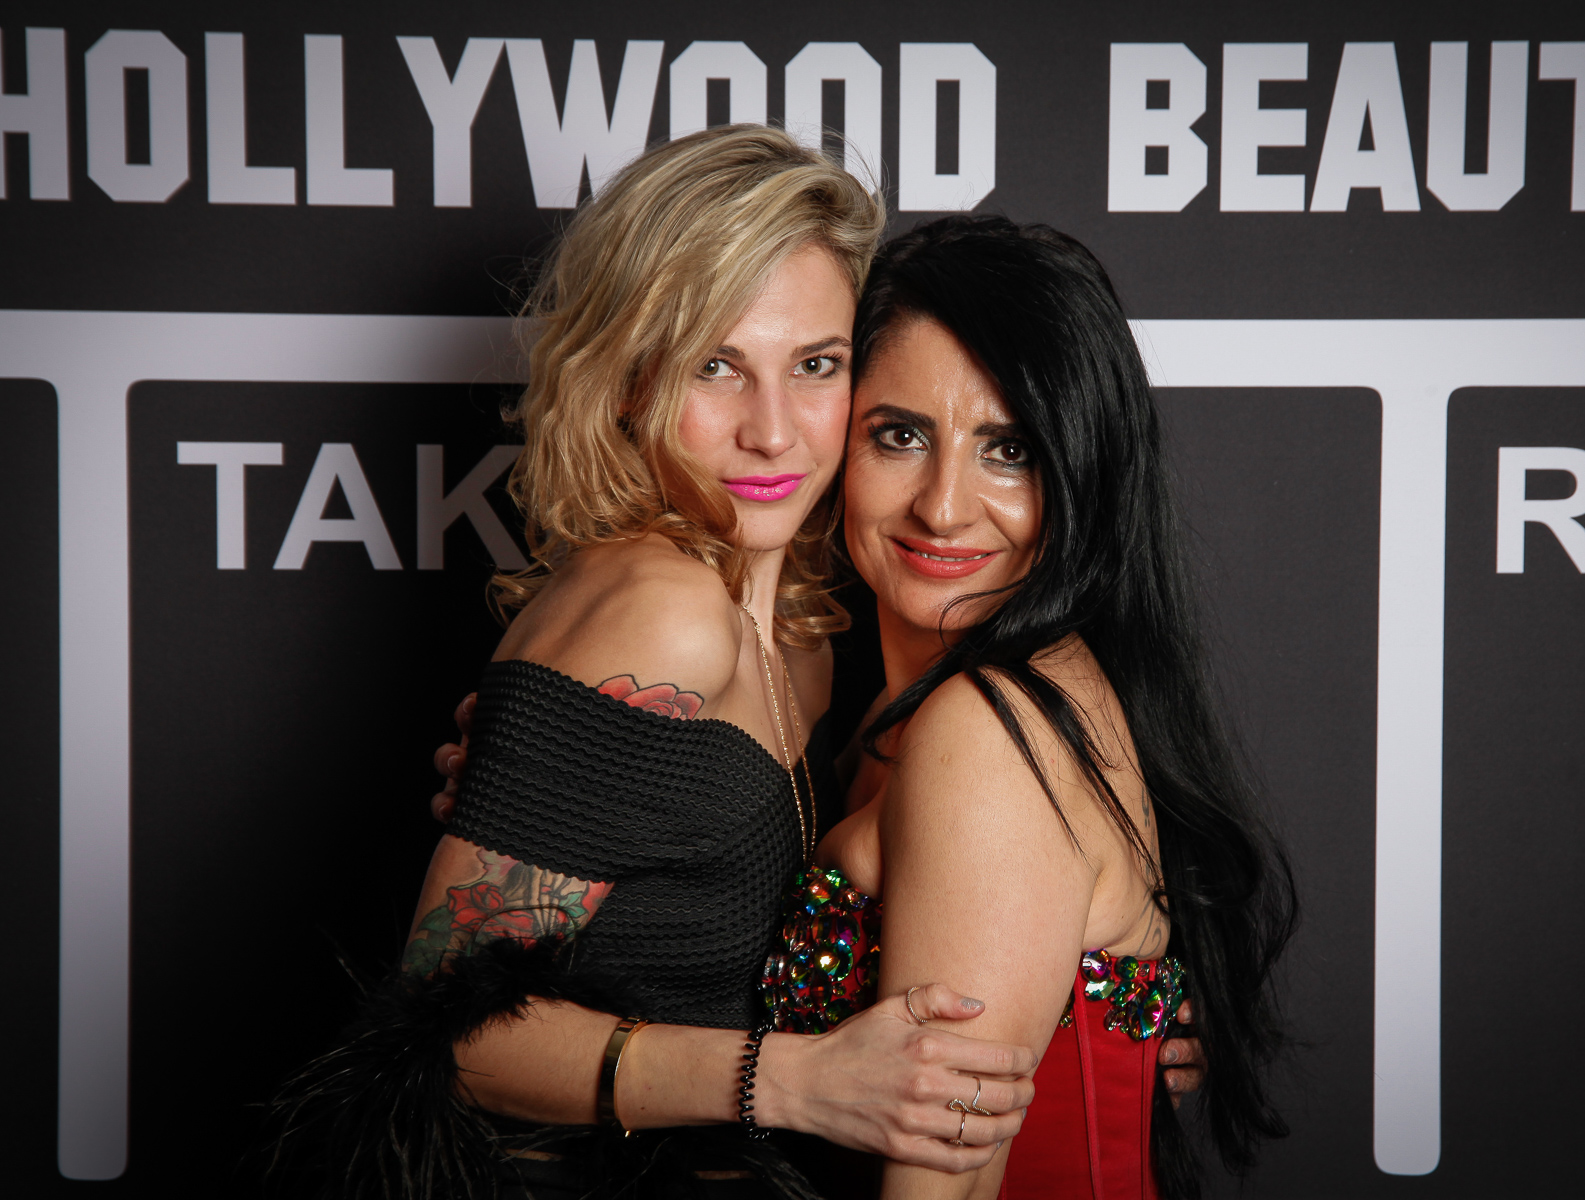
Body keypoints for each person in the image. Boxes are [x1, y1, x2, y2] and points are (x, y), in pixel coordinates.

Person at [273, 127, 1041, 1200]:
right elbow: (443, 1037)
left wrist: (1114, 1001)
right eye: (714, 366)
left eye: (815, 366)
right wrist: (792, 1082)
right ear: (627, 379)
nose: (772, 432)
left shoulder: (808, 621)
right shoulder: (660, 614)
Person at [757, 215, 1298, 1199]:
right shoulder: (880, 703)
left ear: (1082, 472)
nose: (943, 506)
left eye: (1007, 449)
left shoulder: (987, 732)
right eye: (900, 436)